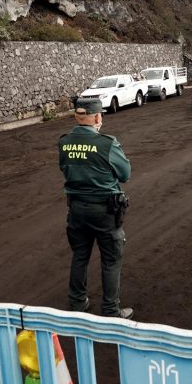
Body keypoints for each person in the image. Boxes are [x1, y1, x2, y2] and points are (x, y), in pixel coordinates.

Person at [58, 99, 133, 319]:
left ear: (76, 118)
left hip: (77, 208)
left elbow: (64, 167)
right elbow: (125, 175)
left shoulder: (64, 142)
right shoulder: (107, 143)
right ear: (97, 117)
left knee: (80, 255)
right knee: (110, 259)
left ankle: (77, 304)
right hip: (104, 210)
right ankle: (110, 310)